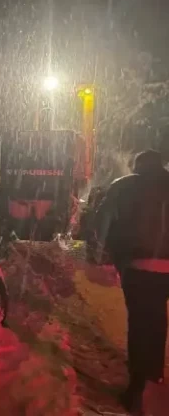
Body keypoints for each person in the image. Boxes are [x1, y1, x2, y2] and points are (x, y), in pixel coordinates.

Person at [95, 149, 169, 412]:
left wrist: (100, 251)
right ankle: (155, 373)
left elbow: (102, 220)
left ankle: (136, 386)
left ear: (138, 165)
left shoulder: (123, 186)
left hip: (135, 265)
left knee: (138, 321)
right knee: (159, 315)